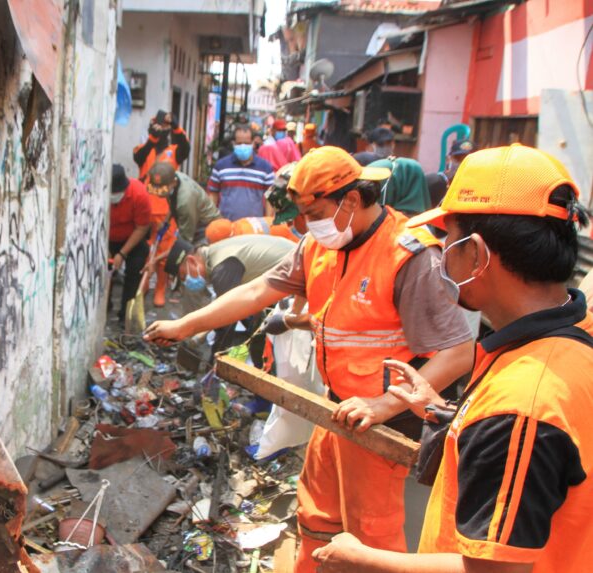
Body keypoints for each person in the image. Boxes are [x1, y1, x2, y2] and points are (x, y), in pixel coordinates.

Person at [145, 146, 474, 571]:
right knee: (316, 515)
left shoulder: (407, 256)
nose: (305, 223)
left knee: (371, 541)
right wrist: (185, 325)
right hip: (337, 408)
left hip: (385, 426)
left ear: (352, 200)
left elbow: (458, 352)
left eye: (313, 211)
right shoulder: (317, 247)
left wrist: (383, 404)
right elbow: (257, 291)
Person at [312, 144, 593, 573]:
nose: (441, 252)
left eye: (448, 239)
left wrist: (363, 558)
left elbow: (491, 569)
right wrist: (441, 412)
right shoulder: (565, 341)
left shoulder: (522, 404)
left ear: (476, 254)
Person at [162, 234, 295, 354]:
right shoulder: (214, 253)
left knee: (274, 341)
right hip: (286, 270)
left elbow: (226, 319)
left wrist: (217, 360)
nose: (187, 282)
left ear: (191, 261)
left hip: (295, 276)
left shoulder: (221, 267)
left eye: (184, 275)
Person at [144, 161, 221, 306]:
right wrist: (166, 222)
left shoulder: (185, 200)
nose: (159, 193)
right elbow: (172, 201)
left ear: (172, 183)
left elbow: (183, 245)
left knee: (195, 273)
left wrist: (154, 260)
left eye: (162, 189)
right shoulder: (174, 179)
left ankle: (200, 311)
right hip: (193, 224)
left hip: (207, 231)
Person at [108, 164, 151, 324]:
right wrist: (106, 249)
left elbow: (142, 227)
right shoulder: (98, 194)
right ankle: (104, 306)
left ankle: (125, 315)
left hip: (133, 238)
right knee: (105, 271)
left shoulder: (139, 194)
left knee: (135, 270)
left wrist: (122, 253)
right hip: (107, 238)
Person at [207, 123, 276, 221]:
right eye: (239, 143)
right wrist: (213, 220)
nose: (243, 146)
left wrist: (269, 221)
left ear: (253, 143)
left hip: (254, 228)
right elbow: (213, 194)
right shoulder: (221, 167)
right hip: (227, 226)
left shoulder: (265, 168)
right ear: (233, 144)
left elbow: (271, 197)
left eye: (247, 143)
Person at [133, 109, 191, 181]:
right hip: (144, 191)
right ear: (152, 127)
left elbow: (186, 148)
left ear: (169, 129)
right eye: (159, 125)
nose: (161, 128)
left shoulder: (174, 151)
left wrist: (177, 128)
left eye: (165, 126)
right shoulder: (141, 148)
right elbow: (138, 158)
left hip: (166, 191)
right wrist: (152, 139)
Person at [426, 138, 475, 208]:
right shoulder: (434, 183)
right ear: (448, 160)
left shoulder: (482, 190)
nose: (463, 163)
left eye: (469, 160)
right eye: (458, 159)